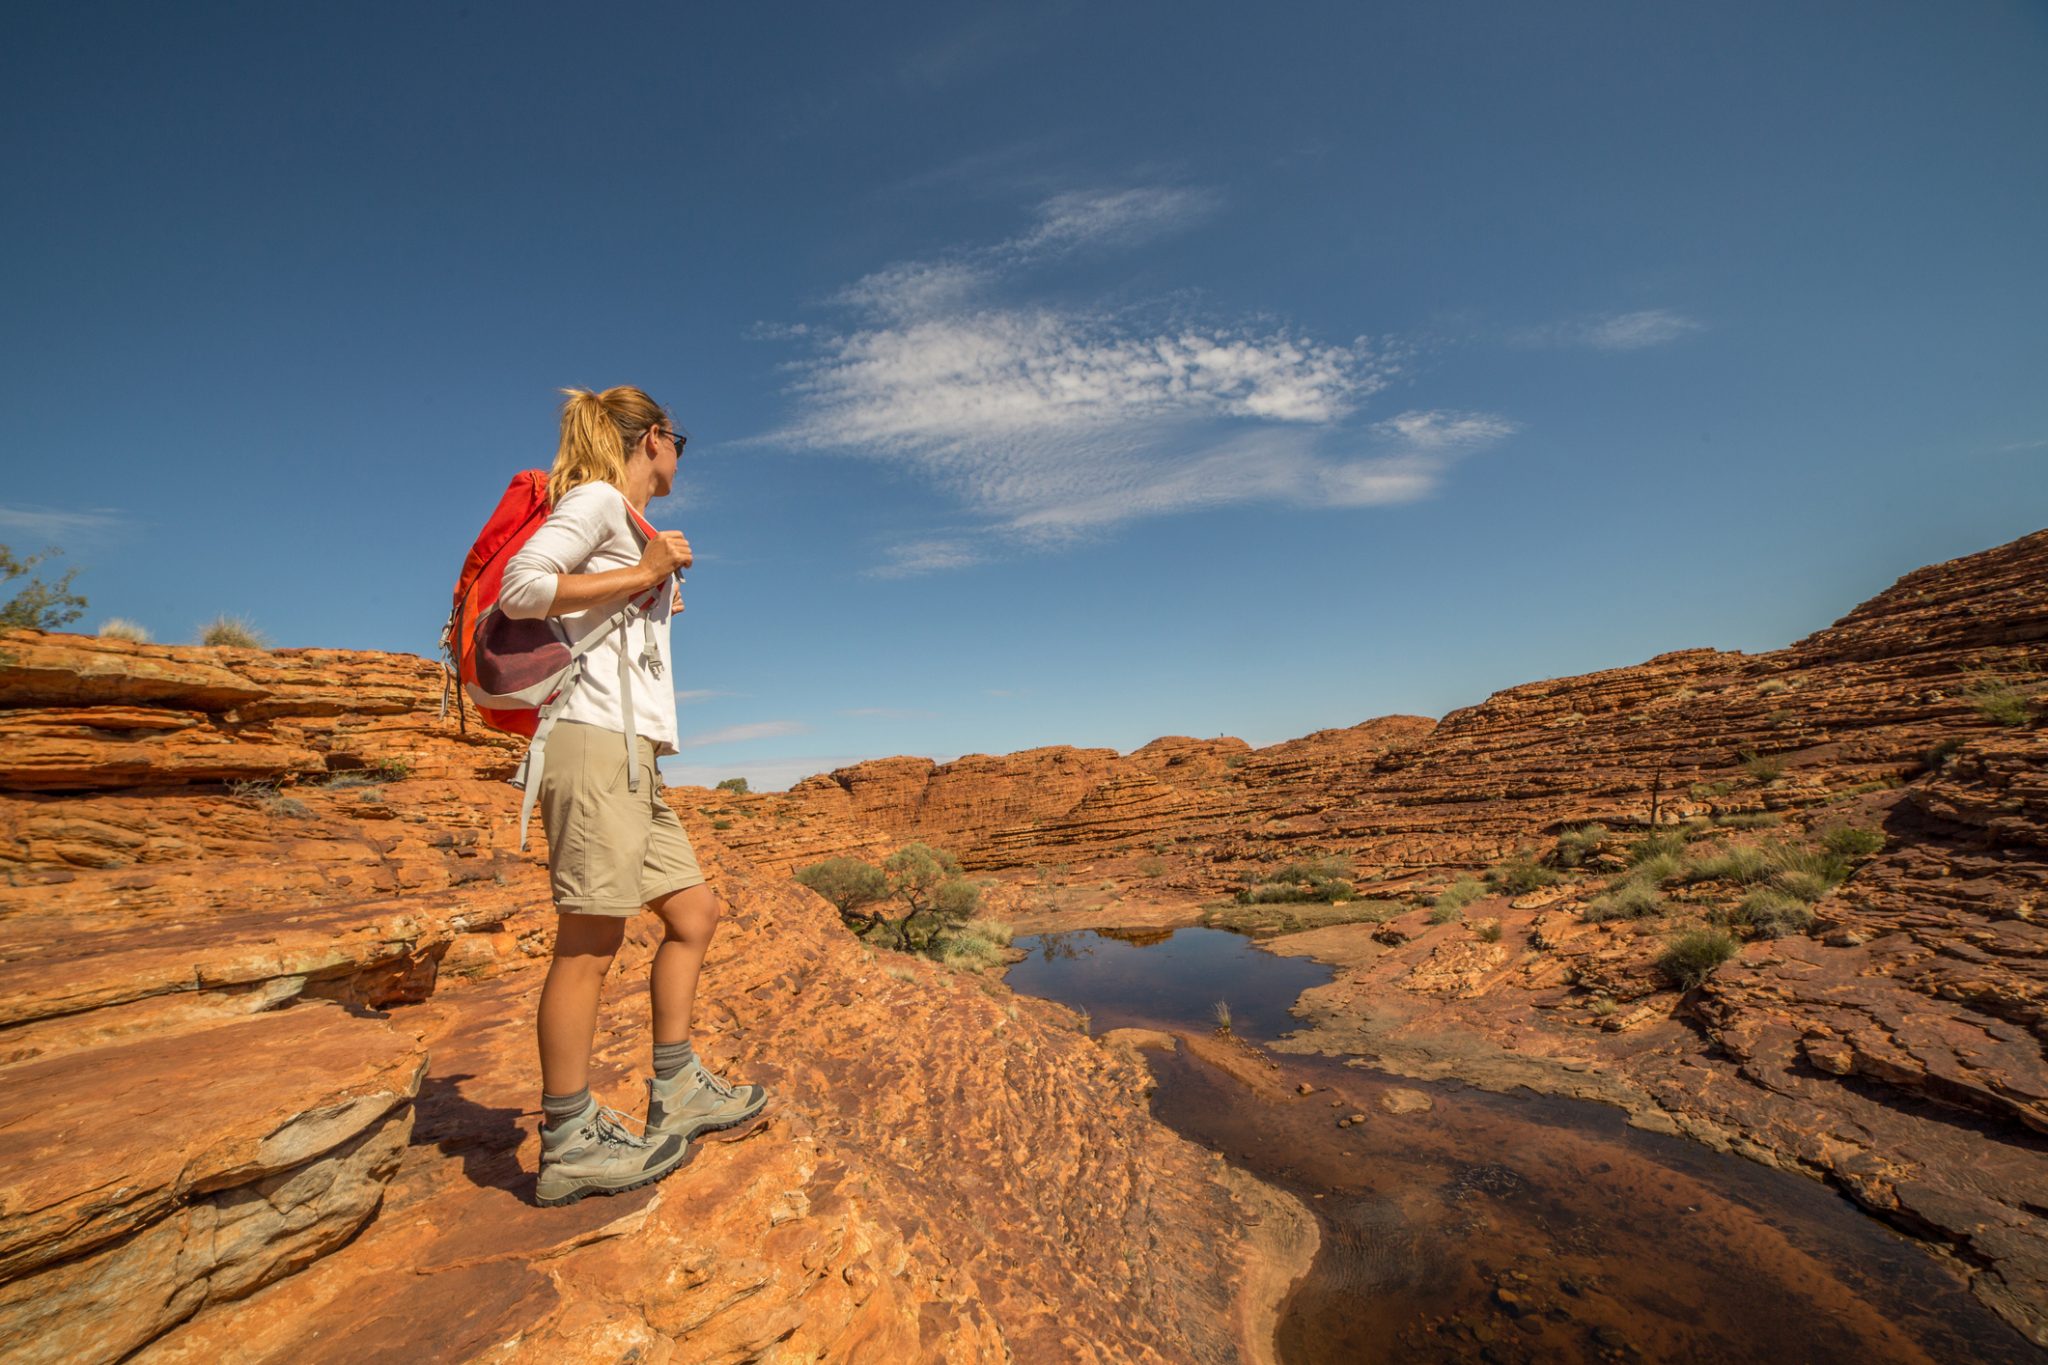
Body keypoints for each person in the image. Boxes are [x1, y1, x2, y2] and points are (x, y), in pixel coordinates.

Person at [499, 385, 768, 1207]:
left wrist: (645, 582)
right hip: (588, 742)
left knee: (694, 912)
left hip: (631, 757)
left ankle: (677, 1087)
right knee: (589, 940)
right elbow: (520, 585)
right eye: (677, 439)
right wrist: (641, 571)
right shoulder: (595, 502)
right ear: (654, 438)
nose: (680, 454)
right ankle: (569, 1136)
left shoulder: (630, 523)